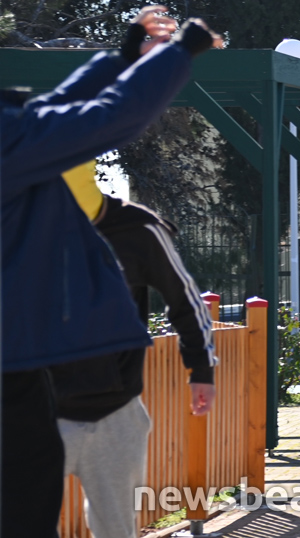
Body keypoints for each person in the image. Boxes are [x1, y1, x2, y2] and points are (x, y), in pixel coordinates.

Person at [0, 7, 222, 537]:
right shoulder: (9, 146)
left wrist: (121, 59)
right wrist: (180, 51)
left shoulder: (14, 141)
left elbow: (55, 110)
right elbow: (113, 117)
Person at [52, 161, 216, 538]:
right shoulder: (20, 224)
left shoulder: (137, 229)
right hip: (34, 412)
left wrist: (201, 370)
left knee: (117, 531)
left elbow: (185, 301)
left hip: (116, 413)